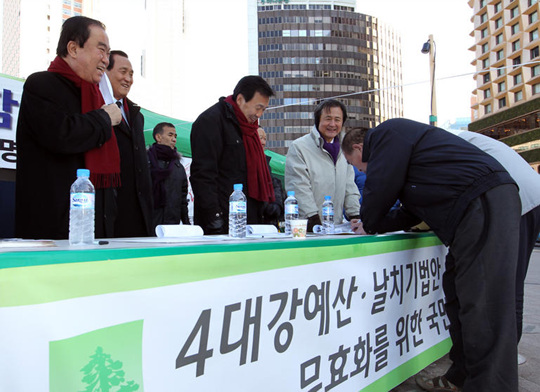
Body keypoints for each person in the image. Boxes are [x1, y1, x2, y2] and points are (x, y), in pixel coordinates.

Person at [342, 119, 521, 392]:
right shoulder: (414, 163)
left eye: (357, 164)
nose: (361, 170)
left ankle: (491, 386)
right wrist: (374, 222)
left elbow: (380, 188)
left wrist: (368, 219)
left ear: (359, 147)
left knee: (484, 305)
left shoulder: (386, 135)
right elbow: (409, 213)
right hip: (472, 208)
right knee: (458, 294)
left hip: (482, 201)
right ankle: (462, 378)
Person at [15, 16, 123, 239]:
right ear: (73, 48)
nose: (106, 60)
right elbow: (61, 134)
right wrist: (104, 118)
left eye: (108, 53)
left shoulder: (95, 96)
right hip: (50, 229)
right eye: (101, 50)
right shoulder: (41, 85)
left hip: (92, 228)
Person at [454, 130, 540, 349]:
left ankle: (505, 356)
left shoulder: (436, 143)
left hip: (514, 198)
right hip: (526, 194)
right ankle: (506, 354)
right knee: (511, 282)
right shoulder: (455, 138)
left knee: (506, 284)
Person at [190, 75, 275, 234]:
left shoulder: (250, 130)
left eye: (264, 109)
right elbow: (203, 175)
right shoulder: (211, 121)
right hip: (221, 223)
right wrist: (214, 218)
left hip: (249, 221)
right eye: (258, 108)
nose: (259, 114)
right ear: (241, 99)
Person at [99, 50, 153, 237]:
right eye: (123, 72)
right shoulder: (96, 108)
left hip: (138, 210)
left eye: (131, 74)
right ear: (105, 72)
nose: (128, 79)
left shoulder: (137, 115)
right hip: (109, 207)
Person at [285, 99, 360, 232]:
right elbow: (299, 187)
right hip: (308, 227)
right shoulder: (299, 147)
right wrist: (313, 219)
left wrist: (355, 214)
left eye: (337, 119)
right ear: (318, 120)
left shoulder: (344, 149)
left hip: (335, 226)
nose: (332, 124)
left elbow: (350, 185)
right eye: (328, 119)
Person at [148, 122, 190, 228]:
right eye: (170, 135)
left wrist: (187, 223)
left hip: (172, 226)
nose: (174, 139)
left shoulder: (178, 166)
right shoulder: (145, 162)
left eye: (175, 136)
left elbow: (183, 199)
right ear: (158, 137)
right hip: (148, 225)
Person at [258, 127, 284, 228]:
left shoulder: (266, 163)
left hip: (268, 225)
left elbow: (272, 185)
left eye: (265, 139)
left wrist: (276, 206)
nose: (263, 142)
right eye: (260, 138)